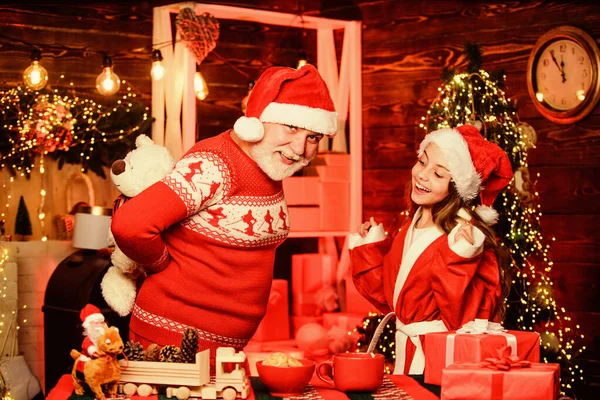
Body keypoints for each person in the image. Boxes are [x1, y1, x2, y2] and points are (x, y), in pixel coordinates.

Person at [111, 64, 337, 355]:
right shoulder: (215, 165)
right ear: (259, 121)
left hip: (220, 347)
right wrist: (161, 265)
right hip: (173, 339)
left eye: (313, 137)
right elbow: (130, 225)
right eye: (291, 127)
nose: (300, 148)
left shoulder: (266, 164)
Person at [349, 124, 513, 377]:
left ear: (457, 187)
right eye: (421, 162)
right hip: (406, 358)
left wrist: (460, 258)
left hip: (440, 363)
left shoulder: (465, 239)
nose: (422, 175)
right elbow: (392, 299)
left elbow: (467, 320)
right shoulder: (411, 226)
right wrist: (370, 247)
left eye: (438, 174)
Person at [73, 304, 108, 378]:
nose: (100, 325)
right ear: (88, 325)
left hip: (99, 363)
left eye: (101, 322)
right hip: (87, 364)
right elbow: (90, 349)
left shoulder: (103, 337)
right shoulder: (88, 339)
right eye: (96, 323)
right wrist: (96, 354)